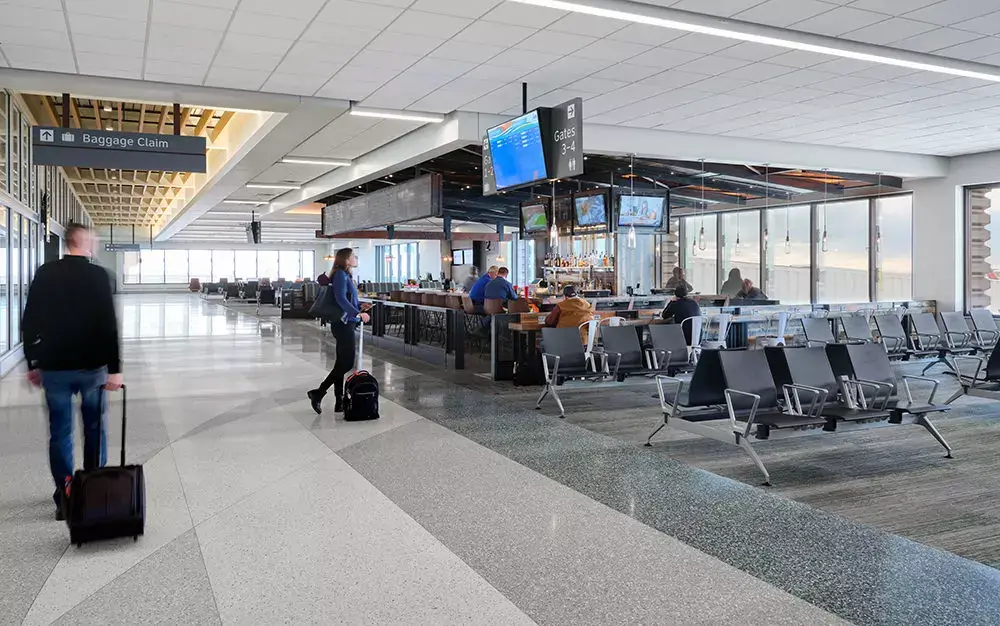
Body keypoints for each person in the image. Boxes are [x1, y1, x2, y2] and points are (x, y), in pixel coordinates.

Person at [21, 223, 123, 520]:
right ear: (82, 242)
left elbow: (30, 321)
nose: (95, 244)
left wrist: (32, 362)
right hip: (92, 367)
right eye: (92, 240)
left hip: (54, 368)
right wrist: (114, 370)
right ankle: (93, 489)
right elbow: (108, 325)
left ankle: (65, 495)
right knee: (95, 429)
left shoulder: (45, 273)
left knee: (60, 432)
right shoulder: (98, 275)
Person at [307, 248, 370, 415]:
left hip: (345, 322)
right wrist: (357, 313)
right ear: (346, 260)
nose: (356, 258)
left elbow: (346, 299)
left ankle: (339, 401)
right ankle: (319, 393)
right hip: (343, 324)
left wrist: (359, 307)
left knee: (341, 363)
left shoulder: (345, 275)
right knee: (347, 363)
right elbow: (340, 298)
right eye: (353, 256)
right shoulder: (341, 275)